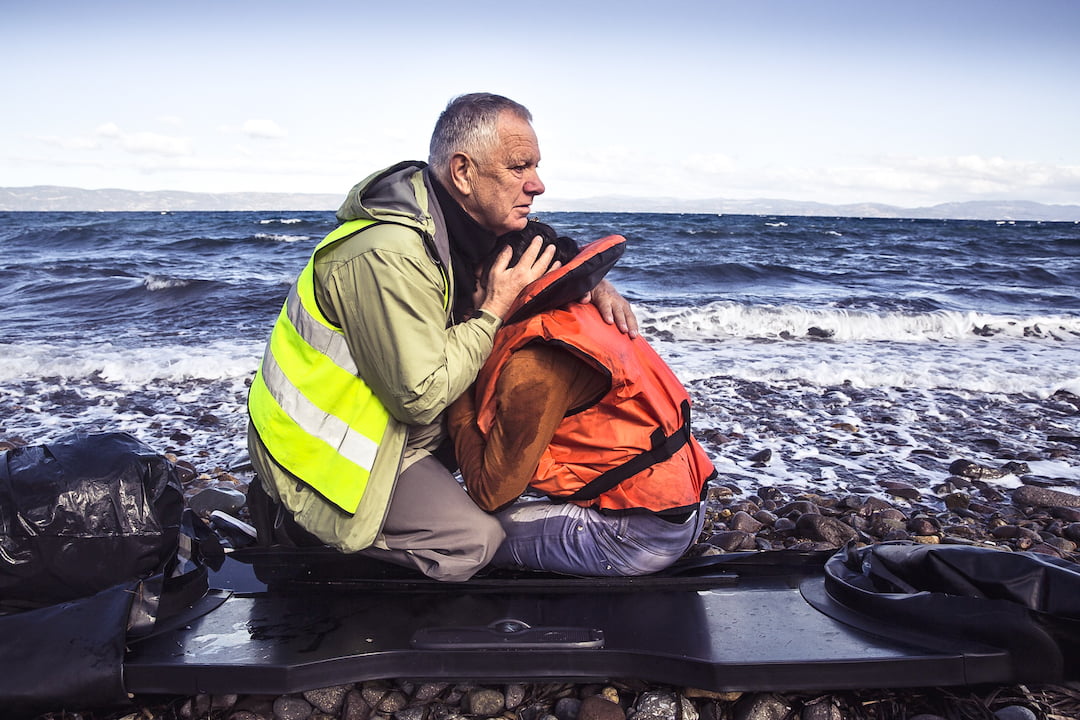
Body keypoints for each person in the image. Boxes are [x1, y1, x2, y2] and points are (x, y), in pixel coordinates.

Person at [245, 93, 637, 582]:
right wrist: (493, 309)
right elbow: (421, 397)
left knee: (512, 416)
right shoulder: (387, 254)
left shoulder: (465, 222)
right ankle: (295, 525)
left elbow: (548, 246)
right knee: (474, 542)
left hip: (387, 424)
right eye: (519, 167)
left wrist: (596, 285)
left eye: (536, 166)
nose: (537, 184)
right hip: (322, 451)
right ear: (463, 172)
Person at [447, 221, 717, 576]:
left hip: (635, 535)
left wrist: (458, 388)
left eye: (484, 285)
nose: (473, 301)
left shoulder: (533, 365)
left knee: (465, 535)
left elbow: (490, 494)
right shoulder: (579, 313)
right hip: (681, 509)